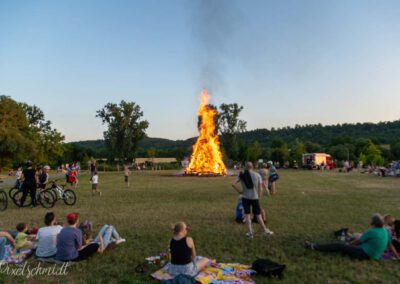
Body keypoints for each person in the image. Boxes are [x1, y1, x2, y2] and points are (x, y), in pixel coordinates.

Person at [305, 213, 393, 260]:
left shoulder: (371, 231)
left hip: (364, 254)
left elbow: (357, 242)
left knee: (339, 245)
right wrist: (396, 256)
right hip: (373, 254)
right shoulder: (385, 231)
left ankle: (314, 246)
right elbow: (390, 245)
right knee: (347, 241)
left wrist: (348, 244)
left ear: (373, 222)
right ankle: (343, 237)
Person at [232, 162, 273, 238]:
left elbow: (233, 184)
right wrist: (259, 196)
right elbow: (260, 188)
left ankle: (250, 233)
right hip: (255, 198)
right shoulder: (257, 175)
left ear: (245, 167)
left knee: (247, 215)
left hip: (245, 197)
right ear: (252, 167)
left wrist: (239, 191)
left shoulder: (242, 175)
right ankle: (265, 230)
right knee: (258, 215)